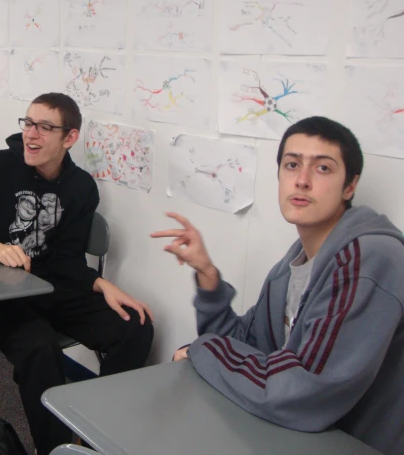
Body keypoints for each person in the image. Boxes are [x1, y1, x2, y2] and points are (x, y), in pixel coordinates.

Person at [151, 116, 403, 455]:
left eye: (323, 168)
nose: (301, 181)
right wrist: (208, 277)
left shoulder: (368, 260)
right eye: (292, 164)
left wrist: (203, 349)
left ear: (350, 186)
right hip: (295, 434)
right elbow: (248, 344)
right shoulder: (295, 262)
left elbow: (307, 393)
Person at [0, 93, 154, 455]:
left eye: (44, 127)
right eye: (28, 123)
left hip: (48, 284)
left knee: (135, 325)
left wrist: (100, 284)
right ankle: (56, 450)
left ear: (69, 138)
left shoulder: (81, 188)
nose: (31, 134)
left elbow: (67, 261)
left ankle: (94, 431)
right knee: (40, 349)